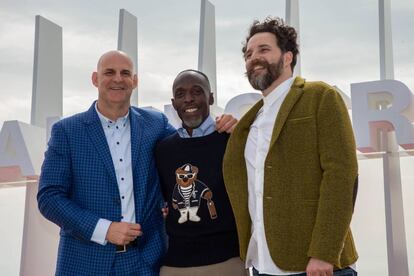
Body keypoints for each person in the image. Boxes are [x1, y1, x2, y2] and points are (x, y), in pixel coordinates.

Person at [37, 51, 233, 275]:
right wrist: (104, 229)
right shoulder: (67, 131)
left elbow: (189, 145)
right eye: (109, 72)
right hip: (85, 262)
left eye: (125, 73)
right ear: (95, 79)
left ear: (135, 81)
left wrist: (226, 124)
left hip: (145, 262)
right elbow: (49, 197)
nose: (118, 79)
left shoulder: (156, 124)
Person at [223, 17, 359, 276]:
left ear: (287, 57)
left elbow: (342, 176)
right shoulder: (249, 122)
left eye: (264, 50)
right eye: (249, 54)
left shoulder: (320, 97)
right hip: (262, 264)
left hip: (314, 265)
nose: (254, 58)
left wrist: (324, 253)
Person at [155, 69, 245, 276]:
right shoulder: (163, 150)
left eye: (196, 91)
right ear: (173, 102)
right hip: (175, 264)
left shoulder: (232, 142)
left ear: (211, 97)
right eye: (180, 94)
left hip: (226, 262)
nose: (188, 99)